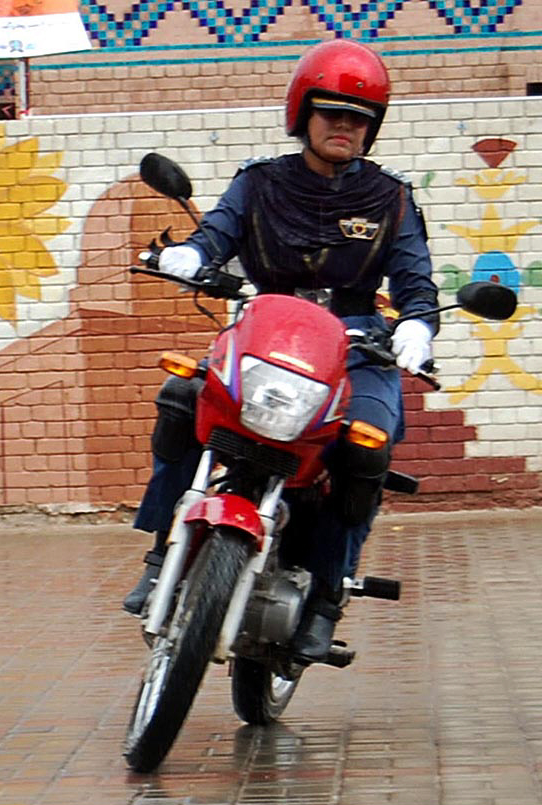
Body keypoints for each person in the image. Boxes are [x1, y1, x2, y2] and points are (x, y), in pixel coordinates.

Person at [123, 39, 439, 665]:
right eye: (333, 112)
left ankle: (325, 598)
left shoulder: (392, 198)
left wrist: (418, 328)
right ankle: (162, 553)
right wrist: (190, 256)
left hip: (355, 342)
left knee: (366, 442)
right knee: (185, 397)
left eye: (359, 118)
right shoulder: (259, 182)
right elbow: (217, 232)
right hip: (267, 325)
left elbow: (415, 281)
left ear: (372, 128)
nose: (345, 126)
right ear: (304, 113)